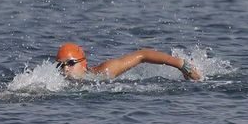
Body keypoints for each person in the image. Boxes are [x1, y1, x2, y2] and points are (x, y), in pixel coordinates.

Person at [55, 42, 203, 81]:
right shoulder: (58, 83)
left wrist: (182, 65)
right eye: (60, 65)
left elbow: (142, 55)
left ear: (83, 63)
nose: (65, 69)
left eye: (70, 63)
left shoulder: (104, 72)